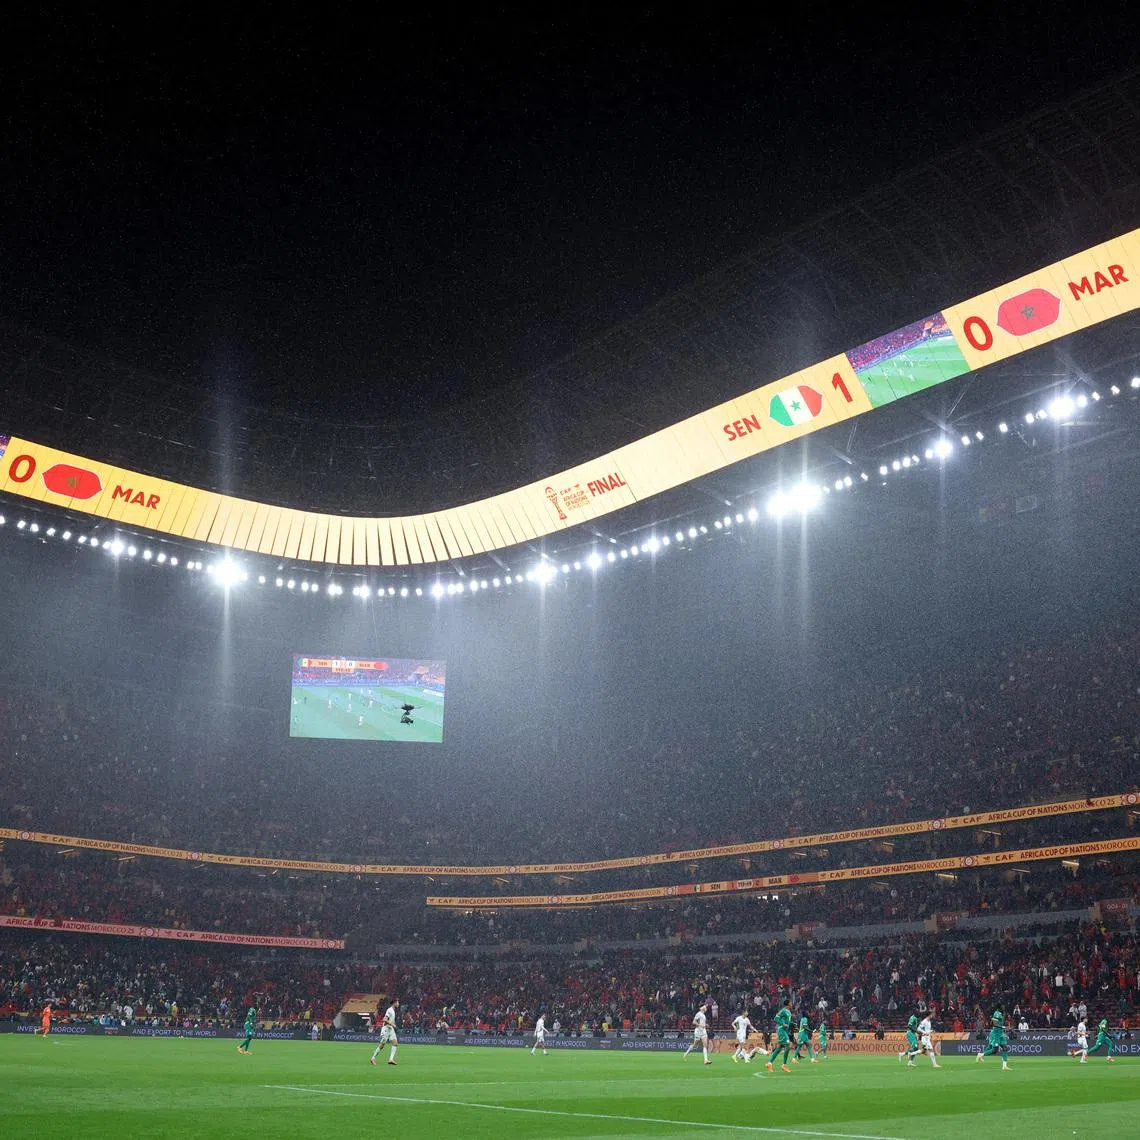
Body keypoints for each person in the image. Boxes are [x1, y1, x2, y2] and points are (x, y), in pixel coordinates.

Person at [370, 999, 400, 1067]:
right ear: (394, 1003)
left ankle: (391, 1059)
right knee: (382, 1045)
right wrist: (393, 1024)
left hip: (390, 1029)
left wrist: (392, 1025)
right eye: (398, 1002)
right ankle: (373, 1058)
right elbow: (385, 1019)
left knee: (395, 1043)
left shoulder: (393, 1011)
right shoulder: (389, 1010)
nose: (398, 1004)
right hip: (386, 1028)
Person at [766, 1000, 793, 1073]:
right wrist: (782, 1024)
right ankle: (784, 1065)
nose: (791, 1004)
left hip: (785, 1031)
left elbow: (787, 1021)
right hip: (781, 1030)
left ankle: (769, 1063)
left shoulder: (789, 1012)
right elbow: (776, 1018)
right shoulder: (783, 1010)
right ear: (787, 1004)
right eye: (790, 1003)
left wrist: (792, 1024)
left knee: (779, 1048)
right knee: (788, 1045)